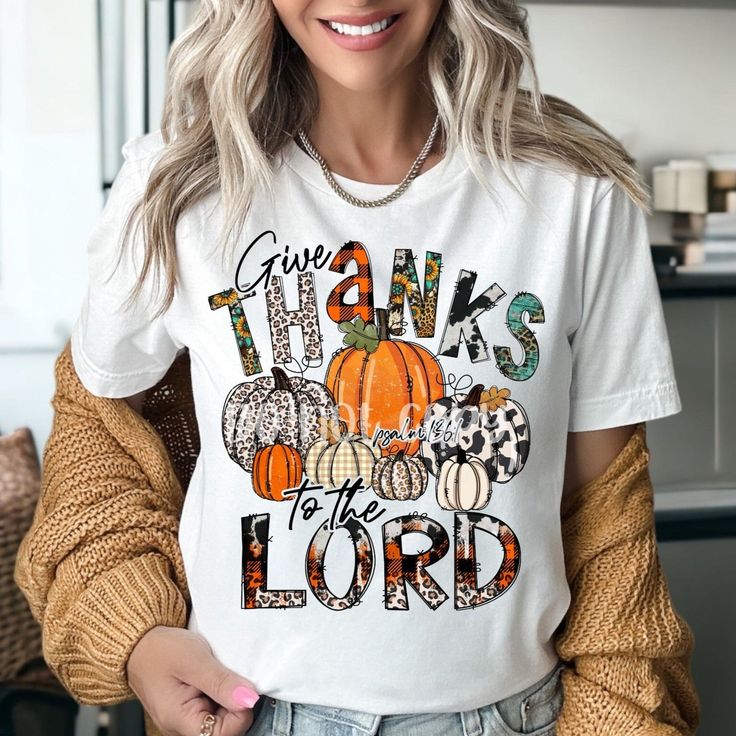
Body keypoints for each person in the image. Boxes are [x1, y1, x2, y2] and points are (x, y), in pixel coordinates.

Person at [17, 2, 700, 736]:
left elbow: (609, 531)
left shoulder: (575, 188)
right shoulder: (177, 184)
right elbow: (95, 440)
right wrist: (140, 639)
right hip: (253, 716)